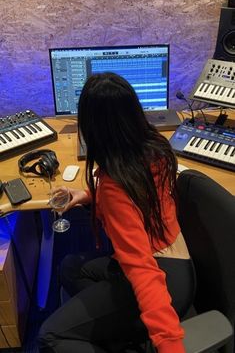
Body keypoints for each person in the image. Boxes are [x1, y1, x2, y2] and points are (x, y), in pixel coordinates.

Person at [38, 72, 196, 353]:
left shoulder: (115, 188)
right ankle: (122, 328)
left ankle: (127, 325)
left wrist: (171, 344)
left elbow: (142, 269)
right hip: (179, 264)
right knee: (70, 268)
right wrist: (87, 195)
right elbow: (139, 197)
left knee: (50, 335)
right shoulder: (155, 149)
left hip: (162, 280)